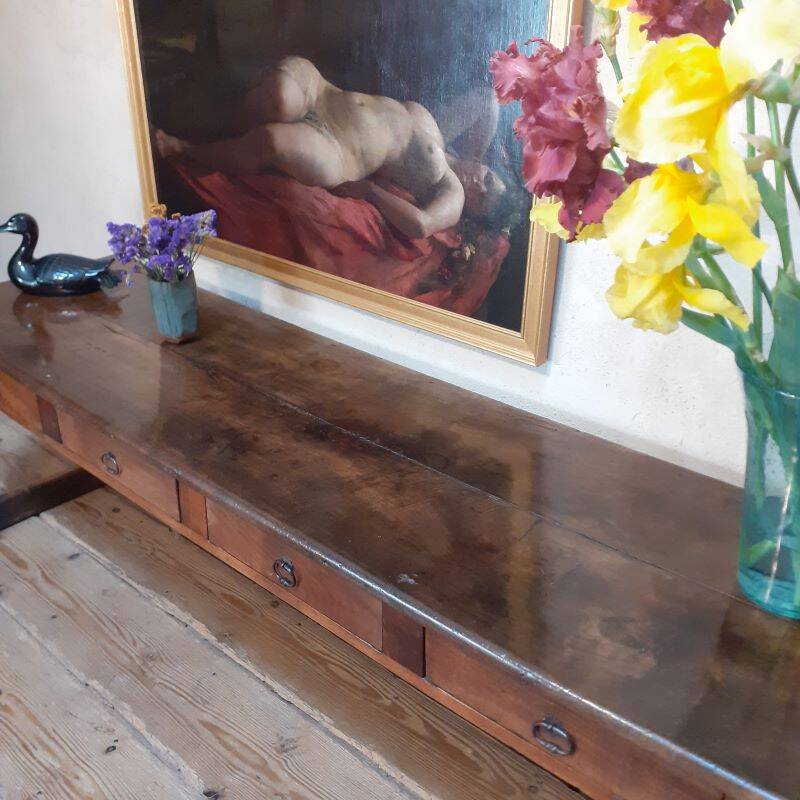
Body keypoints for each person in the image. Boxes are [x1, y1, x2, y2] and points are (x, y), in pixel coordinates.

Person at [156, 57, 507, 240]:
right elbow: (487, 98)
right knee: (276, 96)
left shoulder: (451, 189)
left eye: (484, 195)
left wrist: (370, 192)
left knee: (272, 141)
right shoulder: (442, 133)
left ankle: (183, 147)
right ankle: (197, 113)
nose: (480, 183)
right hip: (325, 94)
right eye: (489, 178)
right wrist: (481, 153)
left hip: (338, 151)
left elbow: (422, 225)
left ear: (474, 210)